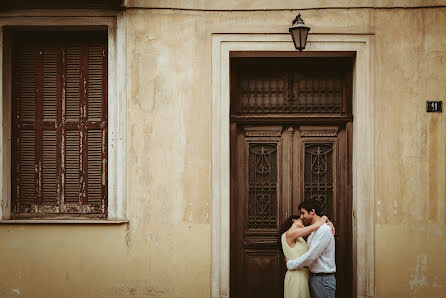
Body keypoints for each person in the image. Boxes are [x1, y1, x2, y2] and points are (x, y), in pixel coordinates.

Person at [286, 200, 336, 298]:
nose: (301, 217)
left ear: (312, 212)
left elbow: (311, 255)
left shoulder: (324, 230)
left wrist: (291, 264)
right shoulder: (314, 231)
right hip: (314, 278)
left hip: (323, 280)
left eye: (303, 213)